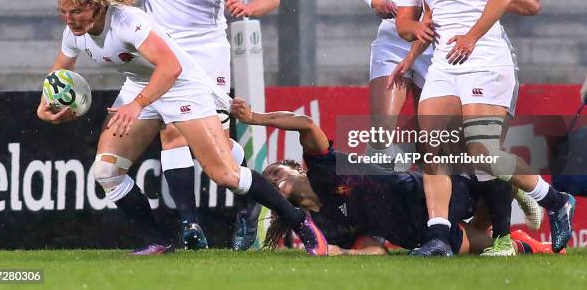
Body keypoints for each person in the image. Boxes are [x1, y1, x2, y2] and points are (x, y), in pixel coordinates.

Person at [37, 0, 327, 256]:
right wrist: (43, 108)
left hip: (181, 84)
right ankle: (158, 240)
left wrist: (137, 106)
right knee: (106, 170)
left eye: (76, 11)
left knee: (225, 174)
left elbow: (171, 67)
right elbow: (57, 77)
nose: (69, 19)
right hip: (141, 85)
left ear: (96, 3)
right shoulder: (73, 32)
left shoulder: (127, 21)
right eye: (64, 12)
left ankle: (300, 222)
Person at [358, 0, 544, 247]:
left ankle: (504, 230)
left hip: (460, 49)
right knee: (388, 138)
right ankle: (409, 234)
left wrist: (476, 8)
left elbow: (526, 0)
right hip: (407, 42)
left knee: (477, 155)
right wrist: (379, 4)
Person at [395, 0, 575, 256]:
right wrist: (411, 57)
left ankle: (555, 201)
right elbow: (429, 14)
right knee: (432, 148)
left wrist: (472, 36)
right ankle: (439, 238)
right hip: (446, 61)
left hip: (483, 58)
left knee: (481, 153)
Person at [104, 0, 279, 250]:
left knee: (211, 142)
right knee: (173, 130)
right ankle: (190, 224)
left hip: (205, 48)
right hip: (160, 44)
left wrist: (250, 8)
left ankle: (250, 199)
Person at [230, 98, 558, 256]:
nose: (272, 179)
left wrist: (256, 118)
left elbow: (305, 124)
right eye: (269, 182)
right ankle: (527, 244)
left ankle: (516, 189)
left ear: (297, 168)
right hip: (414, 235)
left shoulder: (322, 166)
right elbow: (377, 252)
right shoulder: (324, 225)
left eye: (275, 171)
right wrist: (344, 254)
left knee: (483, 168)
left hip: (426, 195)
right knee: (494, 252)